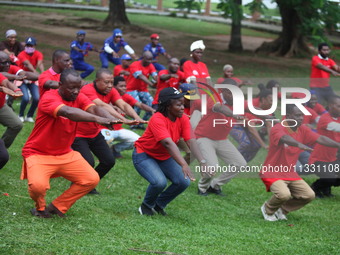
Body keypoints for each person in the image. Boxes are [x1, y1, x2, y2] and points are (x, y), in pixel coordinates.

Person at [21, 68, 116, 218]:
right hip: (38, 153)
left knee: (91, 179)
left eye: (79, 87)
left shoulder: (79, 96)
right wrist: (99, 120)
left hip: (65, 153)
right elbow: (68, 112)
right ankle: (40, 208)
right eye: (72, 88)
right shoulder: (48, 98)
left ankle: (57, 206)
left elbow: (94, 108)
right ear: (60, 85)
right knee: (38, 187)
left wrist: (109, 117)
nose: (76, 91)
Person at [259, 104, 340, 221]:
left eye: (302, 115)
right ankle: (268, 209)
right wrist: (298, 144)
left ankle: (282, 210)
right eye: (297, 115)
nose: (301, 118)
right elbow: (285, 138)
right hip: (272, 171)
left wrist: (338, 145)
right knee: (284, 194)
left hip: (290, 173)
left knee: (309, 195)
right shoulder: (278, 128)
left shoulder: (303, 129)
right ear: (288, 116)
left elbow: (320, 138)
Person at [133, 87, 206, 216]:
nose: (183, 107)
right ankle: (146, 206)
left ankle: (158, 205)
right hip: (144, 154)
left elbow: (191, 141)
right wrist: (184, 164)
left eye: (183, 104)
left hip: (164, 157)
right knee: (159, 182)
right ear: (167, 106)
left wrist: (202, 161)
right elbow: (167, 143)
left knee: (183, 182)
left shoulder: (182, 118)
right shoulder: (157, 119)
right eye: (178, 105)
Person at [72, 69, 146, 194]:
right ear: (97, 81)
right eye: (106, 82)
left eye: (112, 82)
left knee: (108, 161)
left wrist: (136, 118)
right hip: (78, 134)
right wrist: (124, 120)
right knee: (88, 162)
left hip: (95, 132)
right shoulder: (87, 90)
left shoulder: (111, 90)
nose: (110, 86)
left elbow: (124, 104)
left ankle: (89, 184)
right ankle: (80, 184)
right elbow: (102, 106)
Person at [101, 76, 155, 158]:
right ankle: (104, 156)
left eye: (125, 86)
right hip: (103, 129)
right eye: (121, 86)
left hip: (118, 130)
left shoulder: (125, 97)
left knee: (138, 140)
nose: (124, 88)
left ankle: (115, 149)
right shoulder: (105, 96)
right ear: (113, 87)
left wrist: (152, 110)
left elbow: (140, 105)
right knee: (106, 138)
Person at [309, 96, 340, 198]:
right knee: (330, 178)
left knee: (333, 177)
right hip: (318, 160)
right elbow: (335, 127)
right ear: (330, 106)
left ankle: (326, 190)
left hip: (332, 158)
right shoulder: (324, 118)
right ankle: (314, 188)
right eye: (339, 106)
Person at [126, 51, 158, 125]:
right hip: (131, 89)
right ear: (143, 58)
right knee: (138, 105)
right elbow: (140, 76)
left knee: (152, 106)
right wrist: (150, 84)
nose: (149, 61)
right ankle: (134, 123)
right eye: (148, 59)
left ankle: (141, 123)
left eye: (151, 59)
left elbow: (155, 75)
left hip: (143, 90)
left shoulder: (150, 65)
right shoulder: (135, 64)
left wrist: (157, 80)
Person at [17, 37, 44, 122]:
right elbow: (27, 64)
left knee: (37, 98)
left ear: (34, 45)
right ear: (25, 45)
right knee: (25, 98)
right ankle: (20, 115)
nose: (29, 47)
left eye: (31, 45)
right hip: (22, 78)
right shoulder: (21, 54)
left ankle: (29, 116)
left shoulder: (38, 54)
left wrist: (43, 73)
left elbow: (40, 62)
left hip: (32, 79)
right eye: (27, 45)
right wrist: (35, 72)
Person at [0, 72, 23, 150]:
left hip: (1, 107)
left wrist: (17, 90)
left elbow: (6, 82)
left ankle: (2, 150)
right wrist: (1, 88)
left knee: (16, 124)